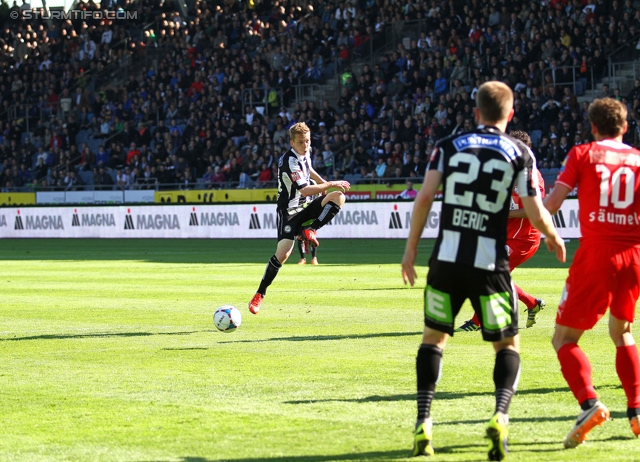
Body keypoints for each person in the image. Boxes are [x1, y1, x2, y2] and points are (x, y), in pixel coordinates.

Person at [401, 81, 565, 460]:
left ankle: (424, 422)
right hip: (491, 263)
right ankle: (499, 417)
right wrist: (553, 237)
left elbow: (424, 197)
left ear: (476, 113)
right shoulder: (519, 152)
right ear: (509, 115)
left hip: (446, 260)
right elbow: (535, 206)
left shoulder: (447, 146)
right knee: (506, 345)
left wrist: (410, 250)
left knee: (433, 340)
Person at [544, 98, 640, 448]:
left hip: (596, 252)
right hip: (633, 256)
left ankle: (589, 404)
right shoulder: (638, 160)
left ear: (593, 126)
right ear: (625, 127)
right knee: (622, 332)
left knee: (564, 339)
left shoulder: (583, 154)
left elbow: (552, 204)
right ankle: (636, 410)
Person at [248, 122, 350, 314]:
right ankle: (260, 293)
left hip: (305, 206)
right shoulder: (289, 161)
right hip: (288, 212)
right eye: (301, 142)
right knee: (283, 254)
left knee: (339, 197)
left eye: (308, 141)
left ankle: (311, 229)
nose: (306, 145)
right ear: (291, 143)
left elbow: (309, 169)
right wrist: (329, 183)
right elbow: (305, 188)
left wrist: (323, 183)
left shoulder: (305, 153)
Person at [455, 130, 547, 332]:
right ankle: (532, 303)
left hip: (524, 239)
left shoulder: (532, 178)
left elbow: (535, 211)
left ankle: (477, 322)